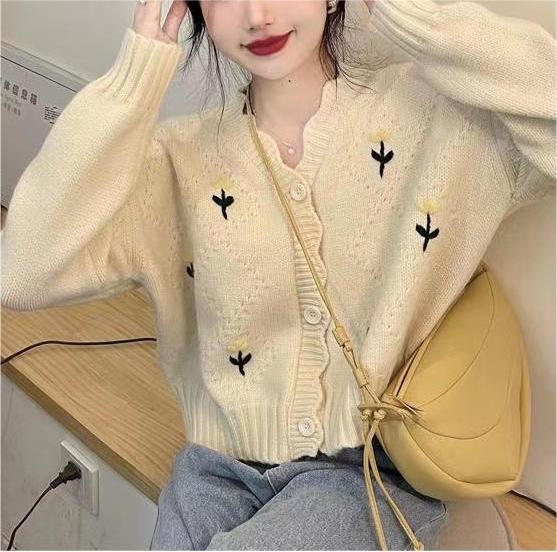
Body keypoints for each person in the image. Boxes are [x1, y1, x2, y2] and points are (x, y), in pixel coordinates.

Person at [1, 0, 554, 549]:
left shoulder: (440, 125)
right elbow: (22, 273)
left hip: (373, 469)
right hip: (216, 470)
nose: (257, 14)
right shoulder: (177, 161)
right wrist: (132, 81)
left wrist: (417, 19)